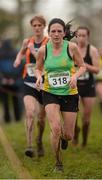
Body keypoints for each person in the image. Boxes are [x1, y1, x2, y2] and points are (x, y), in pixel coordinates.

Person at [35, 18, 86, 171]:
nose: (56, 34)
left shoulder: (72, 47)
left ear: (64, 33)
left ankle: (65, 138)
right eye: (53, 31)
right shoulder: (43, 50)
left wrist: (74, 77)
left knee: (69, 135)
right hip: (50, 92)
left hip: (70, 93)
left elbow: (82, 66)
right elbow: (38, 68)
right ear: (48, 33)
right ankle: (58, 162)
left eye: (59, 31)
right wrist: (39, 77)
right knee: (56, 128)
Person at [13, 15, 49, 157]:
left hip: (44, 83)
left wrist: (34, 51)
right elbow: (21, 53)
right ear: (32, 27)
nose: (37, 28)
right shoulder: (27, 41)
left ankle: (39, 140)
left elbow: (48, 61)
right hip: (28, 81)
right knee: (29, 112)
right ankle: (29, 145)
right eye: (34, 25)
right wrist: (17, 60)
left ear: (44, 27)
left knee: (41, 119)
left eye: (40, 25)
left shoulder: (49, 42)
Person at [72, 26, 100, 146]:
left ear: (88, 36)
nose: (81, 38)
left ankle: (84, 141)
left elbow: (97, 70)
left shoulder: (92, 50)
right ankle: (75, 134)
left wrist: (84, 65)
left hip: (88, 86)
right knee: (74, 114)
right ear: (76, 36)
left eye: (84, 36)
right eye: (79, 35)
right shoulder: (71, 49)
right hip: (74, 85)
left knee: (87, 116)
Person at [0, 39, 23, 123]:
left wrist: (3, 79)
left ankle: (8, 119)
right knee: (16, 101)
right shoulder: (15, 53)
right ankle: (17, 119)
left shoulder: (13, 53)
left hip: (5, 83)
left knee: (6, 102)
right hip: (13, 82)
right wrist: (13, 79)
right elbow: (19, 67)